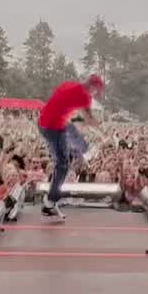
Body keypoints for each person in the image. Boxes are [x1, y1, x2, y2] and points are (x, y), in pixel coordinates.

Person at [38, 75, 105, 219]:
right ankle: (49, 203)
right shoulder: (84, 97)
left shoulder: (69, 85)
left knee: (72, 143)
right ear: (92, 87)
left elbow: (58, 100)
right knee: (62, 165)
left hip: (50, 123)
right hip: (52, 127)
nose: (95, 94)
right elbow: (89, 119)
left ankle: (84, 149)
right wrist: (100, 128)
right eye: (96, 91)